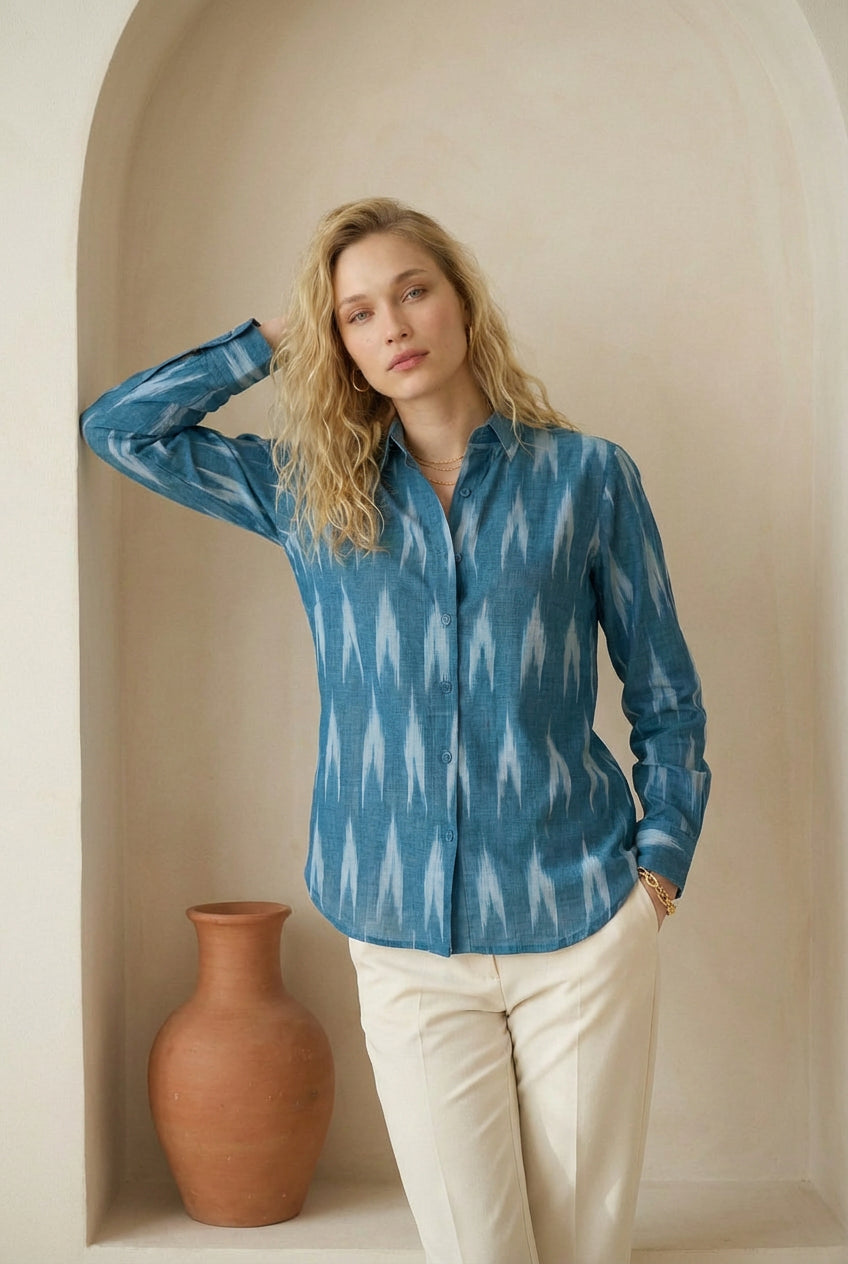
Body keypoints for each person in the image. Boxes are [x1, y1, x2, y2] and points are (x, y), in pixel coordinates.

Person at [81, 197, 710, 1264]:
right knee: (476, 1250)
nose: (394, 326)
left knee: (581, 1249)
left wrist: (656, 877)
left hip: (580, 920)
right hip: (401, 933)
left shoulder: (587, 478)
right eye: (358, 313)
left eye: (413, 291)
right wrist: (272, 337)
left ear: (461, 300)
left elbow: (666, 694)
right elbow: (120, 430)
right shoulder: (308, 493)